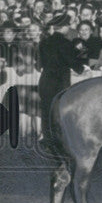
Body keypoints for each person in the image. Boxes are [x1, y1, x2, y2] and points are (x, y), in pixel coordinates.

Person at [37, 12, 88, 140]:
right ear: (63, 27)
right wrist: (81, 69)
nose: (69, 28)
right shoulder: (65, 43)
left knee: (46, 111)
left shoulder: (44, 42)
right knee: (59, 111)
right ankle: (59, 139)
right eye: (68, 25)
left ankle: (47, 139)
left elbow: (40, 62)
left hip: (45, 80)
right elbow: (71, 61)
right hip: (60, 82)